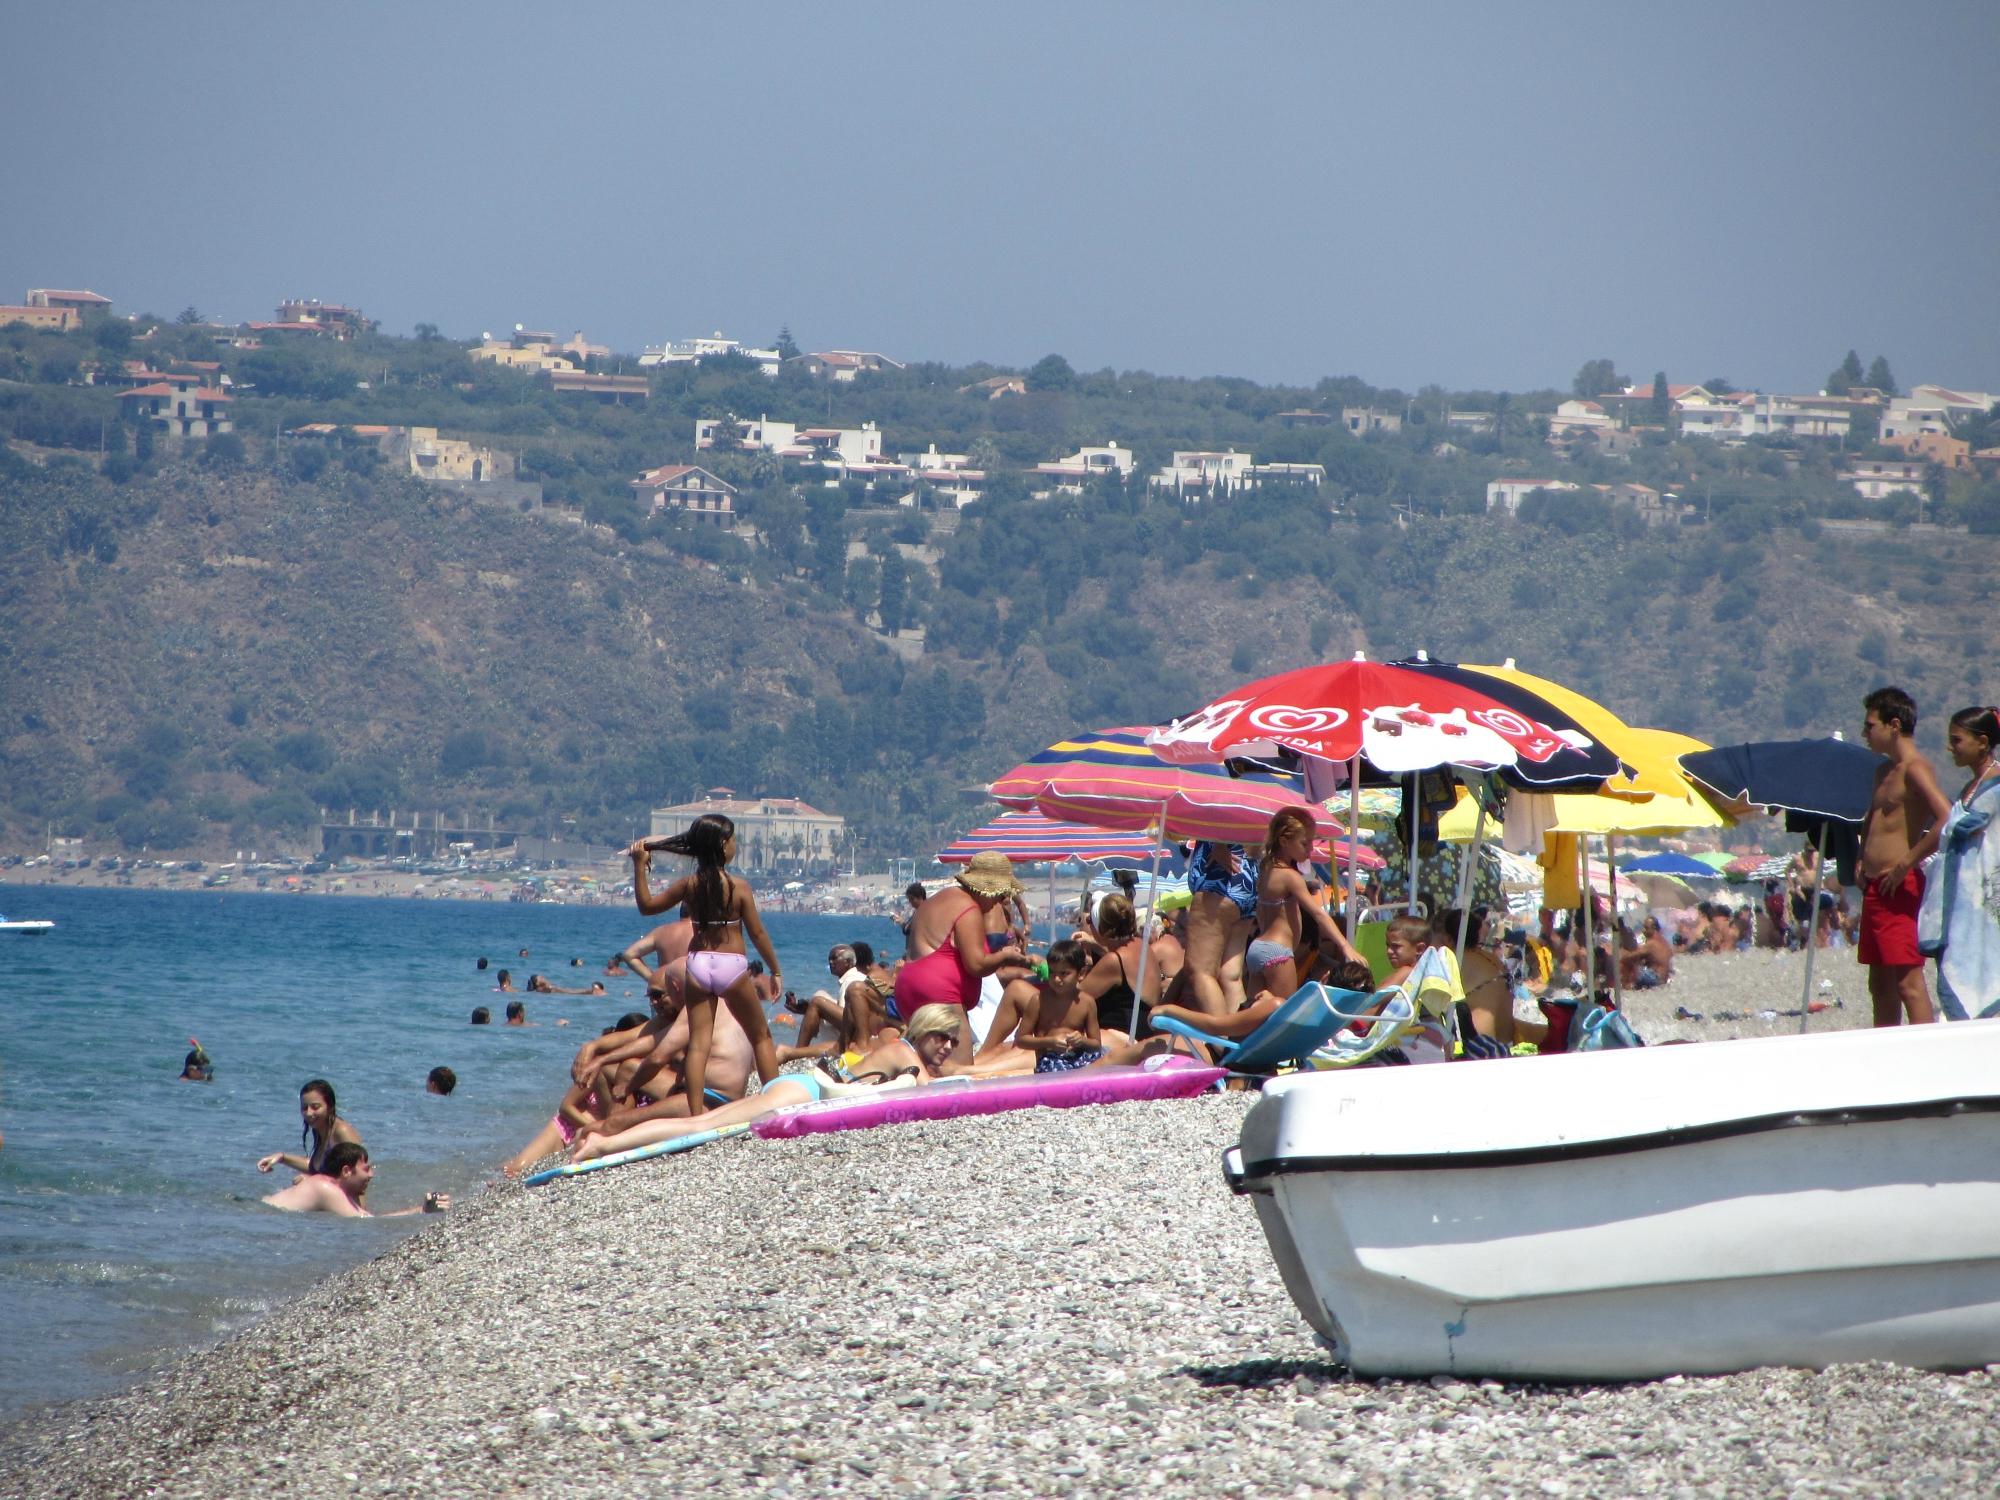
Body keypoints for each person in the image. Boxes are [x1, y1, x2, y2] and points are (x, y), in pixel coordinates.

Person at [568, 1004, 973, 1163]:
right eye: (942, 1037)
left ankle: (602, 1141)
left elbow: (954, 1076)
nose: (948, 1046)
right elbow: (911, 1090)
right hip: (804, 1092)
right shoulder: (904, 1054)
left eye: (953, 1041)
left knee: (705, 1123)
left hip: (804, 1087)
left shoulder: (910, 1054)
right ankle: (601, 1143)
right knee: (701, 1126)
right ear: (922, 1032)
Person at [629, 814, 784, 1115]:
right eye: (733, 839)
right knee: (761, 1036)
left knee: (699, 1044)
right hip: (732, 965)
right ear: (722, 845)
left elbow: (646, 907)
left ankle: (697, 1114)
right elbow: (758, 933)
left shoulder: (689, 885)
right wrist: (774, 969)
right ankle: (775, 1104)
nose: (735, 845)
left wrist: (639, 866)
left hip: (698, 964)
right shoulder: (739, 887)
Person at [1859, 686, 1952, 1026]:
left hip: (1899, 884)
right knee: (1879, 983)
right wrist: (1859, 857)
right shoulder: (1883, 772)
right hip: (1874, 885)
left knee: (1907, 982)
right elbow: (1874, 819)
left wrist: (1907, 861)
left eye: (1870, 726)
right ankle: (1888, 1053)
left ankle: (1925, 1054)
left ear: (1893, 725)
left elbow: (1947, 818)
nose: (1865, 733)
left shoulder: (1916, 768)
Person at [895, 851, 1029, 1057]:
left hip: (909, 987)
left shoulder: (940, 899)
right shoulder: (968, 908)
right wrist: (1007, 956)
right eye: (999, 895)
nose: (997, 903)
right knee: (960, 1073)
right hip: (939, 995)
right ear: (987, 889)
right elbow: (976, 965)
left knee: (929, 1071)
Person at [1919, 706, 2000, 1021]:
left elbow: (1970, 824)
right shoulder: (1970, 787)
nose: (1950, 747)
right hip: (1962, 901)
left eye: (1957, 740)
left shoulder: (1994, 786)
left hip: (1982, 896)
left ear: (1982, 742)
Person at [1245, 808, 1364, 1008]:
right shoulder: (1290, 876)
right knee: (1285, 1014)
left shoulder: (1267, 868)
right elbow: (1319, 914)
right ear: (1284, 841)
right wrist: (1345, 946)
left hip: (1257, 949)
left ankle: (1232, 1037)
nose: (1310, 849)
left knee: (1253, 1014)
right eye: (1305, 843)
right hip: (1278, 953)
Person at [263, 1143, 449, 1217]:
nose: (371, 1175)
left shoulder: (332, 1188)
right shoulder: (325, 1188)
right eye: (366, 1169)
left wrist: (422, 1209)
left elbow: (369, 1218)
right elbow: (367, 1222)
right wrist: (422, 1210)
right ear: (346, 1171)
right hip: (264, 1215)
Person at [1184, 840, 1257, 1018]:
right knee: (1230, 976)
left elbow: (1216, 812)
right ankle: (1238, 1038)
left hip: (1219, 878)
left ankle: (1223, 1040)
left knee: (1201, 972)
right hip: (1248, 875)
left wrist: (1217, 842)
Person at [1018, 939, 1103, 1072]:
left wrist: (1082, 1041)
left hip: (1080, 1057)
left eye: (1064, 974)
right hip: (1050, 1060)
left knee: (1103, 1062)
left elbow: (1096, 1044)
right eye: (1052, 973)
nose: (1056, 979)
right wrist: (1050, 1042)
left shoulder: (1087, 1002)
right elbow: (1021, 1039)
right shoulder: (1039, 1001)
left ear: (1081, 974)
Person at [256, 1079, 361, 1177]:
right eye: (304, 1108)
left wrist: (312, 1181)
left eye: (315, 1107)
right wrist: (282, 1158)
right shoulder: (320, 1130)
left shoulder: (341, 1132)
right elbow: (316, 1168)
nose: (309, 1113)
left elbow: (358, 1175)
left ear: (330, 1107)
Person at [1618, 916, 1675, 990]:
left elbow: (1630, 956)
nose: (1643, 930)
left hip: (1655, 978)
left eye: (1646, 928)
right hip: (1664, 978)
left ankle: (1625, 988)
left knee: (1626, 963)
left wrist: (1621, 951)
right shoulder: (1663, 941)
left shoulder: (1652, 943)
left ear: (1654, 927)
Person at [898, 881, 929, 960]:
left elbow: (907, 929)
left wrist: (901, 922)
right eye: (909, 899)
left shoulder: (922, 911)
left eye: (912, 899)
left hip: (918, 953)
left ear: (920, 897)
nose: (910, 902)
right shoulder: (920, 910)